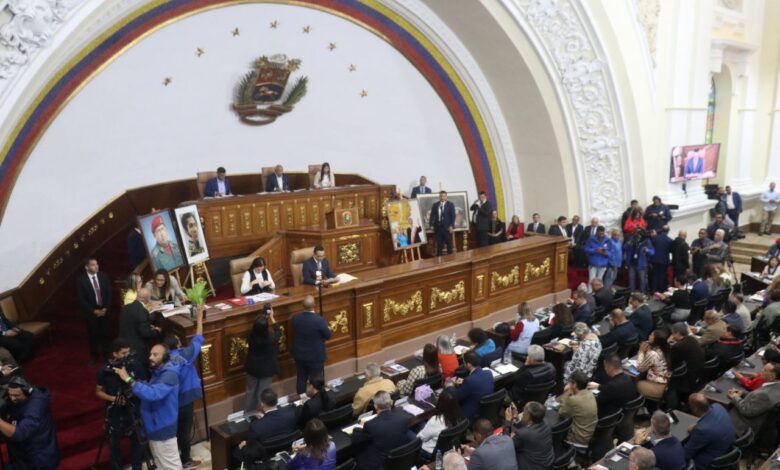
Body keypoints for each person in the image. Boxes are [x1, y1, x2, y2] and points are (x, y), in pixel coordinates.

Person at [114, 344, 182, 469]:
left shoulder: (169, 375)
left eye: (155, 355)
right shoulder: (158, 373)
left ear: (165, 357)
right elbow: (151, 388)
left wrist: (129, 380)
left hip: (162, 429)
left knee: (171, 466)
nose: (150, 357)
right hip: (155, 427)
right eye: (150, 354)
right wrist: (138, 383)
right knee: (161, 464)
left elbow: (153, 394)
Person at [162, 309, 205, 470]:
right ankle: (185, 460)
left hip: (169, 401)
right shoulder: (185, 355)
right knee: (185, 431)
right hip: (185, 399)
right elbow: (198, 338)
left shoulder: (162, 360)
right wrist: (199, 318)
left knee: (175, 430)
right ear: (178, 344)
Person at [96, 339, 146, 470]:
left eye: (129, 352)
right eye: (124, 353)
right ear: (115, 354)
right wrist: (114, 398)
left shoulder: (135, 365)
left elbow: (145, 385)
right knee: (114, 445)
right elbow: (98, 392)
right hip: (115, 413)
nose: (127, 355)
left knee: (137, 443)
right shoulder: (104, 371)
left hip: (134, 410)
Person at [0, 376, 59, 469]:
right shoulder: (14, 401)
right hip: (20, 457)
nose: (12, 398)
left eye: (16, 395)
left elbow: (19, 433)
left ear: (28, 392)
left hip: (38, 460)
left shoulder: (36, 406)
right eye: (10, 394)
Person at [352, 391, 415, 468]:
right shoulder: (403, 419)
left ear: (375, 406)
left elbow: (357, 439)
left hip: (378, 464)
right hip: (397, 460)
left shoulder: (371, 425)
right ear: (391, 403)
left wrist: (358, 427)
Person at [292, 296, 332, 394]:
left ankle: (301, 400)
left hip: (300, 354)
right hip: (315, 356)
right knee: (317, 379)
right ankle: (317, 399)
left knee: (301, 378)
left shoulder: (296, 318)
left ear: (302, 306)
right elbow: (328, 335)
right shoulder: (319, 320)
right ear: (314, 305)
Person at [244, 307, 281, 412]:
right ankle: (260, 414)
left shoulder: (250, 335)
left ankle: (247, 415)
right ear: (266, 328)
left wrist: (262, 318)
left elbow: (255, 329)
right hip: (266, 369)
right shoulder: (271, 338)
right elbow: (278, 331)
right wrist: (272, 317)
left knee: (250, 392)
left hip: (252, 368)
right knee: (263, 393)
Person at [727, 362, 780, 436]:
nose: (761, 370)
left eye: (764, 370)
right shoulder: (776, 386)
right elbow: (757, 398)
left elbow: (747, 411)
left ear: (772, 377)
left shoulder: (765, 395)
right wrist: (742, 393)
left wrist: (735, 397)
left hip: (741, 425)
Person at [76, 256, 112, 365]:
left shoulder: (103, 276)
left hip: (104, 310)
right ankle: (94, 357)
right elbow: (81, 299)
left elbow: (109, 293)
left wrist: (106, 307)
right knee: (93, 336)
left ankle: (107, 355)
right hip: (91, 313)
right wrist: (93, 311)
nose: (96, 266)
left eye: (97, 264)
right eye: (93, 265)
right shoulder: (81, 280)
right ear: (86, 267)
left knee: (106, 334)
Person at [684, 393, 734, 470]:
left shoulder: (702, 430)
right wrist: (698, 424)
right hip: (727, 449)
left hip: (708, 463)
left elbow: (686, 454)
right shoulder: (718, 407)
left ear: (695, 408)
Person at [502, 401, 554, 470]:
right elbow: (529, 426)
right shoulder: (546, 423)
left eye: (524, 412)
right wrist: (517, 419)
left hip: (533, 466)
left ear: (528, 416)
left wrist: (507, 421)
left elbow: (506, 444)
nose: (522, 414)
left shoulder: (523, 434)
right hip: (548, 462)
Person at [417, 390, 464, 459]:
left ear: (440, 403)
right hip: (447, 449)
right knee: (422, 425)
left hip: (429, 452)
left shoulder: (435, 421)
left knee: (410, 435)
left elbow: (420, 438)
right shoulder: (459, 416)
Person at [448, 351, 493, 421]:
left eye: (464, 362)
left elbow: (456, 396)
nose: (463, 364)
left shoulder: (469, 381)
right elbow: (477, 383)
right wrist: (464, 382)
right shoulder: (489, 373)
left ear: (468, 364)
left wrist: (449, 386)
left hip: (470, 414)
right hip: (485, 410)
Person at [118, 288, 161, 360]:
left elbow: (133, 323)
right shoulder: (142, 312)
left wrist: (147, 325)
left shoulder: (126, 307)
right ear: (147, 299)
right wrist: (156, 331)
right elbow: (145, 333)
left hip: (123, 343)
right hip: (137, 349)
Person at [558, 370, 597, 446]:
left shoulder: (573, 400)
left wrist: (566, 393)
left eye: (570, 382)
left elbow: (561, 413)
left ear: (575, 384)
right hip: (587, 435)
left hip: (575, 440)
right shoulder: (590, 394)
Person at [636, 329, 672, 400]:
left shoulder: (653, 354)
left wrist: (641, 352)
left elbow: (640, 368)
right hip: (666, 382)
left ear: (656, 339)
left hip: (657, 386)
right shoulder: (665, 348)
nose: (649, 336)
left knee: (633, 384)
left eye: (651, 335)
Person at [670, 322, 705, 394]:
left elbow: (671, 361)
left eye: (673, 333)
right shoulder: (692, 339)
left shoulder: (678, 346)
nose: (672, 336)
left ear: (678, 333)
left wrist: (667, 343)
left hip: (687, 376)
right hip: (699, 372)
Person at [430, 190, 456, 255]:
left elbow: (453, 216)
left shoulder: (450, 204)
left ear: (446, 197)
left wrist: (451, 226)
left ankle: (450, 260)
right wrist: (431, 224)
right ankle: (439, 261)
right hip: (438, 228)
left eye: (444, 196)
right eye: (441, 196)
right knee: (439, 245)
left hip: (447, 228)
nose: (442, 197)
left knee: (449, 244)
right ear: (439, 197)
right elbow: (432, 215)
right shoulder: (435, 205)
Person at [650, 226, 673, 293]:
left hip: (655, 259)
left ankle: (654, 289)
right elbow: (670, 250)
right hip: (664, 260)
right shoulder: (670, 240)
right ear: (668, 231)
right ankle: (661, 290)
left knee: (655, 275)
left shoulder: (655, 238)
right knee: (662, 275)